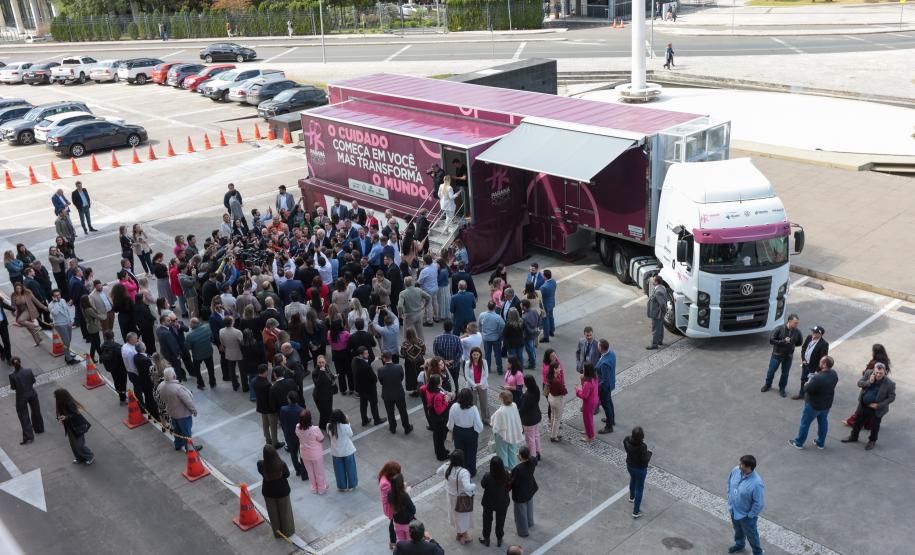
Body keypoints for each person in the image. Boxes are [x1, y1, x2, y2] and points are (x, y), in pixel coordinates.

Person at [841, 362, 895, 451]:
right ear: (874, 370)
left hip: (876, 409)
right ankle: (853, 437)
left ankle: (872, 441)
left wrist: (878, 405)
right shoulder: (868, 373)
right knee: (858, 422)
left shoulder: (890, 384)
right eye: (876, 372)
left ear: (885, 372)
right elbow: (859, 383)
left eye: (880, 373)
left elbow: (892, 397)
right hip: (863, 405)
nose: (878, 375)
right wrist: (869, 382)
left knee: (874, 426)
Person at [788, 355, 838, 450]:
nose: (819, 362)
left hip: (813, 405)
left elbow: (807, 389)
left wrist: (808, 383)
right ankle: (820, 443)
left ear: (824, 364)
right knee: (823, 423)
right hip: (826, 405)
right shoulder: (834, 374)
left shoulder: (818, 378)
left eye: (821, 361)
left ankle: (799, 443)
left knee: (805, 423)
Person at [842, 344, 891, 429]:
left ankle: (852, 422)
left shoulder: (874, 363)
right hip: (879, 388)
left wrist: (865, 372)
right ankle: (868, 424)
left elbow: (867, 374)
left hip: (870, 386)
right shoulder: (885, 361)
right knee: (871, 407)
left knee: (862, 406)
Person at [727, 455, 765, 555]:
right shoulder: (735, 470)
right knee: (738, 530)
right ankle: (740, 545)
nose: (739, 466)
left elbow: (759, 503)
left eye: (742, 465)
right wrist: (730, 500)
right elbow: (729, 483)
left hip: (746, 516)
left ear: (749, 467)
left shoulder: (757, 483)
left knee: (752, 535)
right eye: (740, 463)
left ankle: (758, 552)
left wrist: (750, 515)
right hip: (734, 511)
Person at [437, 449, 476, 545]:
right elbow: (467, 486)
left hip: (450, 495)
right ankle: (464, 536)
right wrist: (474, 486)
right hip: (461, 497)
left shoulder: (447, 466)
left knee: (454, 515)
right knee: (463, 516)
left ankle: (458, 533)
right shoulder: (463, 472)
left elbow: (438, 472)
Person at [156, 368, 199, 452]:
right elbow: (188, 401)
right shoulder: (178, 388)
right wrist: (194, 410)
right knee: (186, 432)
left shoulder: (161, 386)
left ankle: (178, 445)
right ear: (174, 376)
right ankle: (190, 449)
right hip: (183, 414)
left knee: (177, 431)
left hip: (172, 412)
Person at [257, 445, 295, 539]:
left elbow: (261, 472)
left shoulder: (261, 464)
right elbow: (287, 475)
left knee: (273, 515)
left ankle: (278, 533)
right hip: (282, 491)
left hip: (268, 492)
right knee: (285, 513)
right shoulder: (281, 464)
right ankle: (288, 531)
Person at [761, 313, 802, 397]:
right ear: (789, 321)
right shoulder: (779, 329)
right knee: (771, 371)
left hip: (788, 356)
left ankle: (782, 389)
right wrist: (783, 342)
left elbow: (799, 342)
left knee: (785, 374)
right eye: (795, 323)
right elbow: (771, 340)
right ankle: (768, 384)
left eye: (797, 323)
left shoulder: (797, 331)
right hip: (777, 355)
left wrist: (791, 345)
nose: (797, 324)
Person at [447, 388, 484, 477]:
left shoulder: (454, 406)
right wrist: (477, 431)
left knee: (460, 453)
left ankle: (461, 472)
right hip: (471, 433)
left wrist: (451, 428)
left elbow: (450, 422)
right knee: (471, 453)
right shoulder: (473, 409)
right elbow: (479, 425)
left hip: (458, 432)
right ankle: (471, 472)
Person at [55, 388, 94, 465]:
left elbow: (76, 414)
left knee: (79, 445)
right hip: (70, 427)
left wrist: (66, 417)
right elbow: (62, 413)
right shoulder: (61, 403)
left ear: (61, 397)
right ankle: (80, 458)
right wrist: (60, 418)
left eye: (56, 396)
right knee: (73, 444)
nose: (55, 398)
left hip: (77, 426)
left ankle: (90, 456)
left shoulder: (70, 403)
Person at [9, 357, 43, 444]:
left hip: (21, 397)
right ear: (20, 362)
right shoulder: (28, 370)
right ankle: (39, 428)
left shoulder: (12, 376)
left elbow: (13, 388)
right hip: (31, 393)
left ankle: (29, 436)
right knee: (36, 411)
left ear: (13, 365)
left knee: (23, 416)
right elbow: (33, 380)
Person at [479, 456, 511, 548]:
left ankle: (486, 539)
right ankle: (499, 539)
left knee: (487, 520)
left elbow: (483, 485)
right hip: (502, 502)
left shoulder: (487, 476)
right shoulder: (506, 474)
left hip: (488, 502)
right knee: (501, 521)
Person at [378, 352, 413, 434]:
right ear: (391, 357)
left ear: (384, 359)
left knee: (390, 412)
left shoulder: (380, 370)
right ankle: (406, 427)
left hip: (387, 394)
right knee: (403, 411)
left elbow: (381, 382)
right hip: (398, 393)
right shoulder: (398, 367)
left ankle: (392, 428)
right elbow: (401, 377)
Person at [792, 325, 829, 400]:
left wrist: (817, 370)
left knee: (812, 383)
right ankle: (801, 394)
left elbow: (822, 359)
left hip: (814, 368)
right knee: (803, 380)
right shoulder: (809, 337)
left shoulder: (824, 344)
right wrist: (803, 359)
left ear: (820, 334)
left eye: (815, 332)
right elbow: (804, 348)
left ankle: (810, 398)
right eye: (813, 331)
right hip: (805, 365)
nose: (813, 333)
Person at [296, 409, 328, 495]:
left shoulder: (297, 427)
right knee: (319, 472)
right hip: (315, 454)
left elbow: (297, 435)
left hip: (304, 453)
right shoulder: (315, 429)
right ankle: (321, 488)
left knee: (310, 472)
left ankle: (314, 488)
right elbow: (321, 439)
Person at [352, 346, 386, 427]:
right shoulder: (365, 366)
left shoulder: (354, 360)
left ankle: (364, 420)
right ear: (360, 355)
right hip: (369, 389)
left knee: (363, 404)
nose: (368, 354)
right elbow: (373, 378)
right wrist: (375, 379)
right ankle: (377, 419)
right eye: (366, 353)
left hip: (360, 388)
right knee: (373, 404)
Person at [421, 374, 452, 461]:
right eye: (440, 380)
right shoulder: (438, 395)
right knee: (440, 437)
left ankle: (441, 450)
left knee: (437, 436)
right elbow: (439, 411)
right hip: (439, 419)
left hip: (433, 417)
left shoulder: (428, 388)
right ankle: (441, 455)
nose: (442, 381)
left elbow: (422, 389)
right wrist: (446, 402)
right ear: (438, 383)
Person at [491, 390, 523, 469]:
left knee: (502, 453)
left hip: (502, 435)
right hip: (512, 432)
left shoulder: (500, 412)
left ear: (502, 399)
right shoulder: (514, 405)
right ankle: (513, 468)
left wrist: (494, 432)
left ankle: (504, 470)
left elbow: (496, 427)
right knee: (512, 451)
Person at [510, 446, 538, 537]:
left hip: (520, 494)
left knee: (521, 513)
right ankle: (530, 523)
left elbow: (513, 482)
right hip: (530, 489)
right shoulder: (532, 461)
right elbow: (533, 459)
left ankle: (523, 532)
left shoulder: (518, 469)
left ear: (521, 456)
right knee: (529, 508)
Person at [327, 409, 358, 491]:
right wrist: (348, 422)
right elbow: (350, 434)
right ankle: (352, 485)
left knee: (339, 470)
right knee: (351, 469)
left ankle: (341, 486)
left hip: (336, 452)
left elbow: (330, 436)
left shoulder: (329, 426)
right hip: (347, 451)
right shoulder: (345, 426)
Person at [624, 426, 651, 518]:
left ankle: (632, 497)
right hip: (640, 469)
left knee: (633, 479)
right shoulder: (642, 447)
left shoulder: (627, 440)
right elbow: (644, 462)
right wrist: (649, 454)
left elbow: (627, 449)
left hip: (630, 466)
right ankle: (636, 511)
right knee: (639, 489)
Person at [253, 364, 283, 448]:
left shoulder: (254, 381)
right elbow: (271, 397)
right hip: (269, 409)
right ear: (265, 372)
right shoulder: (267, 385)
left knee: (265, 425)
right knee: (273, 426)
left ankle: (268, 440)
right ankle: (275, 443)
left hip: (261, 407)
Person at [279, 391, 307, 480]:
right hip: (300, 435)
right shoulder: (302, 410)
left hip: (289, 434)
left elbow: (282, 422)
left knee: (293, 454)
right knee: (302, 453)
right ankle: (304, 472)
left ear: (289, 400)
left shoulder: (283, 409)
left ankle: (298, 469)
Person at [11, 282, 46, 346]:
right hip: (21, 312)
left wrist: (43, 306)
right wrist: (14, 311)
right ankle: (38, 340)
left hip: (29, 310)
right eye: (17, 288)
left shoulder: (27, 292)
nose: (18, 290)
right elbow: (13, 305)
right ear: (15, 289)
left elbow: (35, 300)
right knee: (29, 328)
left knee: (20, 320)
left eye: (20, 288)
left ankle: (36, 327)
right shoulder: (13, 295)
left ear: (22, 287)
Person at [185, 317, 216, 389]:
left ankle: (201, 383)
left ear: (191, 326)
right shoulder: (207, 328)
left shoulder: (189, 335)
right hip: (208, 352)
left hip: (197, 355)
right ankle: (212, 382)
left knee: (197, 370)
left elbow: (188, 347)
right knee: (210, 368)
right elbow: (211, 338)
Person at [379, 460, 403, 550]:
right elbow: (390, 498)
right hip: (391, 507)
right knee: (393, 524)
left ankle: (392, 542)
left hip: (391, 506)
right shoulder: (385, 484)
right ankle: (393, 542)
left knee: (393, 523)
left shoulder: (384, 476)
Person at [48, 289, 77, 363]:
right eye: (56, 295)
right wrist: (56, 302)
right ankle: (68, 359)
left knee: (68, 340)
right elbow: (55, 313)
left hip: (67, 323)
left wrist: (70, 320)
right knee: (66, 342)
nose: (58, 297)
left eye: (59, 295)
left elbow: (67, 311)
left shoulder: (63, 300)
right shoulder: (51, 305)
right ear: (52, 297)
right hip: (60, 325)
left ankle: (67, 354)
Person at [99, 330, 127, 404]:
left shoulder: (102, 346)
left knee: (116, 381)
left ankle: (121, 396)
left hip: (111, 368)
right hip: (120, 368)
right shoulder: (117, 346)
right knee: (123, 382)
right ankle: (123, 398)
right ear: (113, 337)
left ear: (105, 337)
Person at [462, 346, 490, 422]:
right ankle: (474, 419)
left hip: (482, 385)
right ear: (471, 355)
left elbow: (486, 374)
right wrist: (475, 385)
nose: (476, 356)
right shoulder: (467, 363)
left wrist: (480, 384)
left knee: (484, 403)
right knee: (473, 403)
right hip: (471, 386)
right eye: (474, 355)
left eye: (477, 354)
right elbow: (467, 376)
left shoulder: (484, 362)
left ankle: (486, 419)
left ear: (480, 354)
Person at [595, 339, 616, 434]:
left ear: (601, 348)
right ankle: (611, 419)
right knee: (609, 402)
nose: (597, 346)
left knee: (606, 405)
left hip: (604, 388)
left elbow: (604, 380)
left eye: (598, 345)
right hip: (610, 384)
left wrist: (596, 387)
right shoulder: (611, 353)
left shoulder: (604, 364)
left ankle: (609, 426)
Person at [478, 300, 505, 375]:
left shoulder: (482, 315)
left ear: (487, 307)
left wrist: (483, 333)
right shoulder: (498, 317)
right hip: (496, 338)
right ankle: (499, 369)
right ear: (495, 307)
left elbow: (479, 325)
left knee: (487, 354)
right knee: (498, 354)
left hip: (486, 338)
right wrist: (500, 334)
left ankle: (488, 368)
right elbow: (503, 326)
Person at [388, 473, 416, 542]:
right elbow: (413, 510)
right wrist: (405, 491)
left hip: (397, 522)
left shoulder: (389, 493)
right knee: (410, 541)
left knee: (401, 540)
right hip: (407, 523)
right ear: (401, 484)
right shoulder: (404, 495)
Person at [576, 363, 599, 442]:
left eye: (584, 369)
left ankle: (590, 437)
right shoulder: (594, 377)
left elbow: (584, 395)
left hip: (588, 403)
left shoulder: (587, 383)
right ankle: (588, 431)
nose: (583, 370)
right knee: (589, 418)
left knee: (587, 420)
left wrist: (577, 390)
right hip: (594, 400)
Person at [312, 355, 336, 431]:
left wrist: (334, 377)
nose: (321, 364)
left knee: (326, 411)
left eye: (323, 362)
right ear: (317, 363)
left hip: (328, 393)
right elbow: (317, 384)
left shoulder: (327, 366)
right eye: (320, 362)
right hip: (320, 396)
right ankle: (329, 427)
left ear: (325, 362)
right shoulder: (315, 372)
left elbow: (330, 375)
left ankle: (322, 425)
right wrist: (321, 372)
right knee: (326, 412)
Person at [400, 327, 426, 396]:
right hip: (420, 361)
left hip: (410, 363)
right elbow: (424, 351)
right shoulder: (420, 341)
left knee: (412, 377)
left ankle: (415, 390)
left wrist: (408, 356)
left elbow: (403, 354)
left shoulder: (405, 344)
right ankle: (422, 389)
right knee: (420, 375)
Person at [545, 361, 567, 442]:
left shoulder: (549, 376)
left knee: (553, 416)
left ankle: (553, 433)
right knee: (557, 419)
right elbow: (564, 391)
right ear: (555, 369)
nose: (560, 369)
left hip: (551, 397)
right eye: (559, 368)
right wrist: (564, 387)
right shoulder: (556, 381)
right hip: (557, 400)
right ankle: (554, 436)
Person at [646, 275, 668, 350]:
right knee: (660, 327)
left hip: (657, 314)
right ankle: (659, 341)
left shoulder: (658, 291)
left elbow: (662, 304)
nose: (652, 281)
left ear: (656, 282)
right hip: (659, 313)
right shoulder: (662, 287)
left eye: (654, 280)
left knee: (655, 329)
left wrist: (662, 312)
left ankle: (654, 344)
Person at [538, 269, 556, 343]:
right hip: (552, 302)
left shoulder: (543, 287)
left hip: (545, 304)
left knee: (545, 320)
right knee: (551, 316)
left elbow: (540, 297)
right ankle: (552, 331)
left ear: (545, 277)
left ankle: (546, 337)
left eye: (542, 275)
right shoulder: (553, 281)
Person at [0, 294, 12, 365]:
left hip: (2, 323)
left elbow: (4, 305)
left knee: (6, 341)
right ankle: (2, 351)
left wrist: (13, 309)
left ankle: (9, 358)